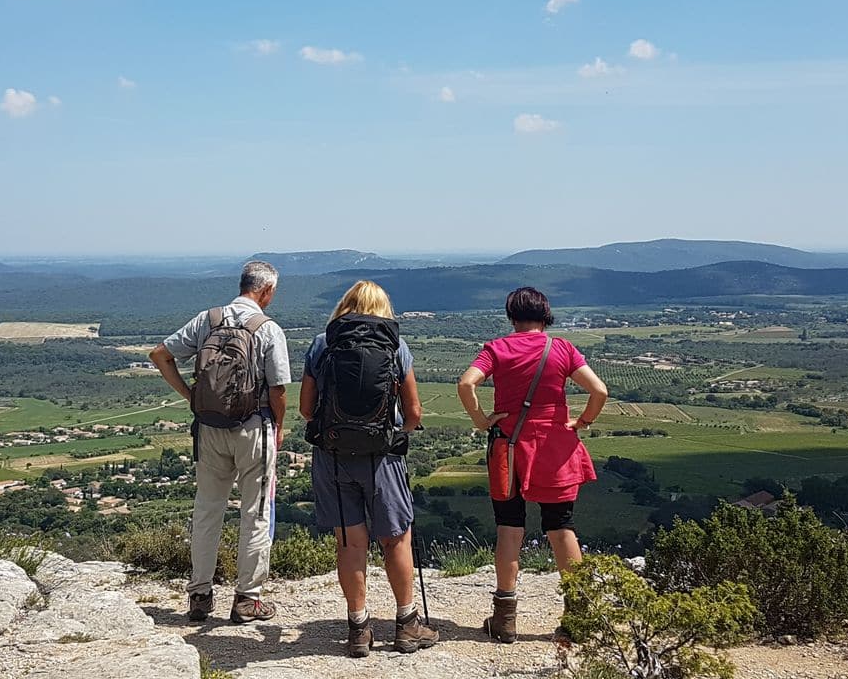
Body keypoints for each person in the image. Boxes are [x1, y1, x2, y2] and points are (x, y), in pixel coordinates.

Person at [456, 287, 608, 644]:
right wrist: (583, 421)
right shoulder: (562, 349)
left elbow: (466, 383)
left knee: (509, 528)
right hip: (555, 449)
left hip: (509, 449)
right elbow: (599, 391)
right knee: (561, 526)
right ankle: (578, 617)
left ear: (512, 316)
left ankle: (505, 620)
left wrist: (481, 420)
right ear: (546, 315)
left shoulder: (497, 348)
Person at [301, 280, 438, 658]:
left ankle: (358, 629)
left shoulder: (322, 344)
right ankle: (407, 625)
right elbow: (413, 413)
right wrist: (396, 433)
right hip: (383, 457)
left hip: (333, 457)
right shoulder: (396, 346)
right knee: (396, 539)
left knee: (350, 542)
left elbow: (307, 410)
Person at [150, 260, 292, 624]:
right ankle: (247, 599)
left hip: (209, 428)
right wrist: (278, 426)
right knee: (255, 512)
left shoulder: (207, 320)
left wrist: (191, 398)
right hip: (254, 427)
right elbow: (278, 389)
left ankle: (199, 595)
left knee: (207, 510)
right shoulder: (267, 328)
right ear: (266, 291)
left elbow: (160, 355)